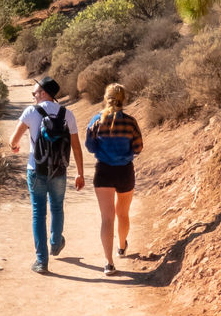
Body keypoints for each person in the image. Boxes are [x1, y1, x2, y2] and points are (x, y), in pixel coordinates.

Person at [8, 76, 84, 273]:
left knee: (38, 213)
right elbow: (76, 147)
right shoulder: (67, 114)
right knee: (57, 207)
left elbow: (13, 141)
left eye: (35, 93)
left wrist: (15, 147)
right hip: (59, 169)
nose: (33, 96)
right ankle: (56, 242)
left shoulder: (31, 112)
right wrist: (80, 173)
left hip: (36, 169)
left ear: (43, 93)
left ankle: (41, 262)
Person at [85, 83, 144, 276]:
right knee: (123, 214)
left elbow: (90, 147)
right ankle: (121, 247)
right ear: (123, 99)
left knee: (107, 218)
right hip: (125, 170)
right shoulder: (130, 122)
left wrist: (104, 149)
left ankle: (108, 263)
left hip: (103, 171)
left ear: (106, 97)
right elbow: (138, 147)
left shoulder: (96, 120)